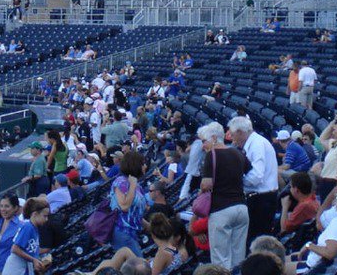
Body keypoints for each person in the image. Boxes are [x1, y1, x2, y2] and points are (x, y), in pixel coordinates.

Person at [198, 120, 251, 270]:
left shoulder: (212, 155)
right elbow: (248, 171)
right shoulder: (237, 152)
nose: (203, 145)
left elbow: (206, 184)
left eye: (204, 141)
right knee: (238, 257)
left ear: (214, 138)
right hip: (241, 207)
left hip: (221, 209)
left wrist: (201, 189)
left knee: (220, 259)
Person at [77, 212, 190, 275]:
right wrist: (150, 261)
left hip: (144, 271)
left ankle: (91, 274)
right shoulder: (177, 248)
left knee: (122, 256)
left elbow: (151, 273)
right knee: (121, 253)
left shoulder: (163, 251)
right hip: (150, 266)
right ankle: (91, 274)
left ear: (153, 235)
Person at [228, 116, 278, 241]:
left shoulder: (257, 144)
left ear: (240, 132)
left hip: (262, 199)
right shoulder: (255, 142)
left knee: (257, 238)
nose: (232, 139)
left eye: (233, 134)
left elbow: (256, 176)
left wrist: (236, 183)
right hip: (260, 198)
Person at [1, 197, 49, 274]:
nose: (46, 219)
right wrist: (33, 260)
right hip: (15, 269)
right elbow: (15, 249)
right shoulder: (28, 227)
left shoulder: (35, 229)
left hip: (23, 269)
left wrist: (46, 252)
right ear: (35, 214)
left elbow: (31, 250)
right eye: (45, 216)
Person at [0, 194, 22, 275]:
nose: (3, 209)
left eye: (7, 206)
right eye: (1, 206)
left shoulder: (21, 227)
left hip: (11, 270)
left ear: (15, 208)